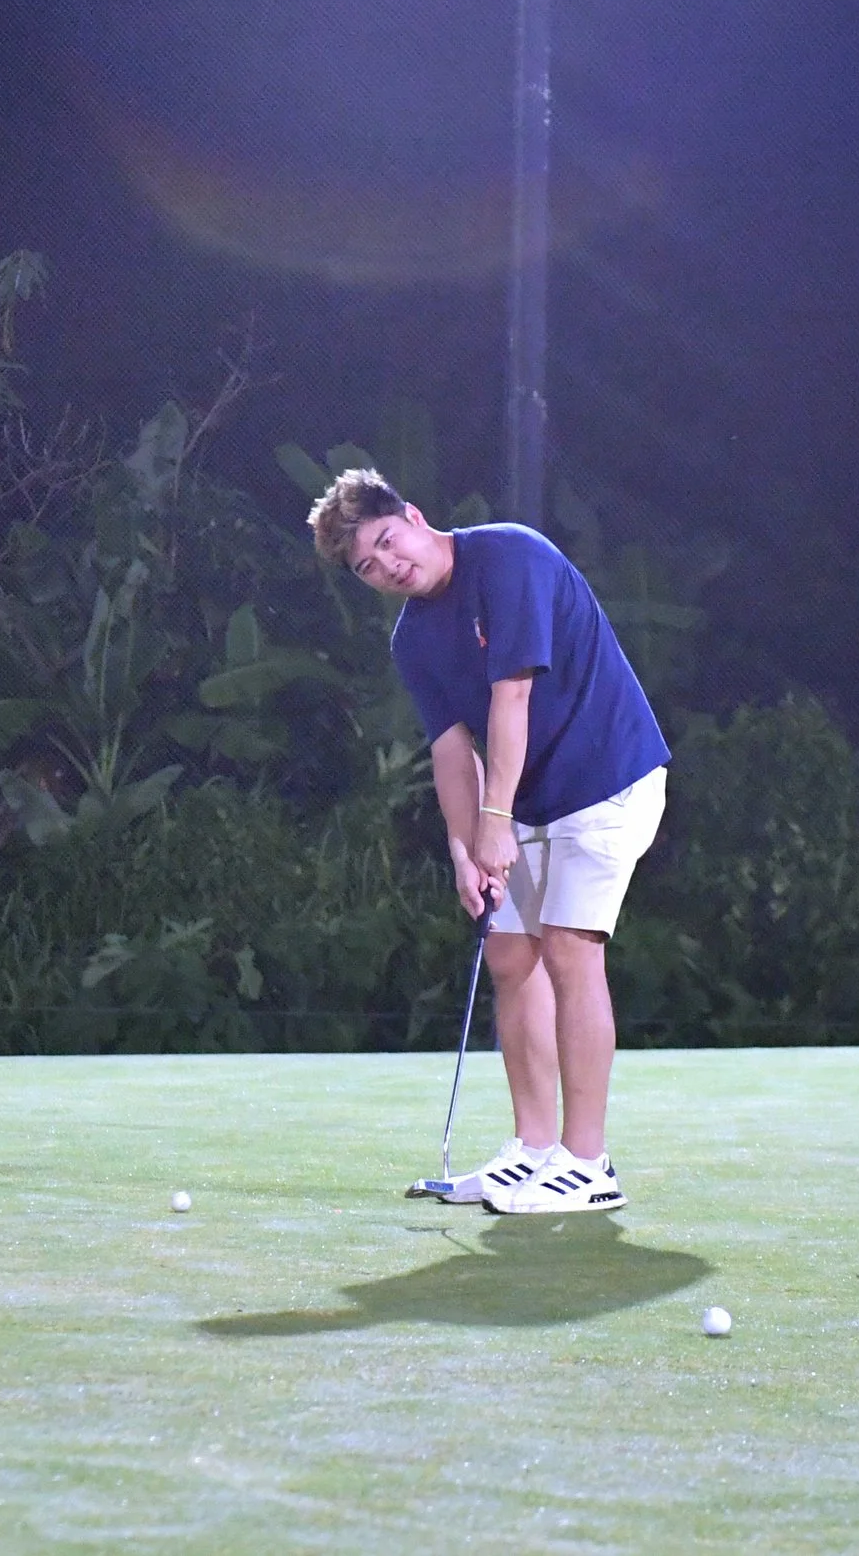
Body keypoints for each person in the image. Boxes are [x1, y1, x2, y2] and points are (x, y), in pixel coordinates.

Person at [309, 468, 670, 1214]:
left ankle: (588, 1161)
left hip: (609, 775)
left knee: (570, 946)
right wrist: (464, 846)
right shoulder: (413, 638)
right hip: (527, 799)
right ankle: (534, 1149)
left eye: (387, 540)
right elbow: (450, 749)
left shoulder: (510, 559)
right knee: (510, 954)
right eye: (368, 567)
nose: (389, 565)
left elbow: (513, 697)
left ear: (412, 514)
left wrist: (496, 818)